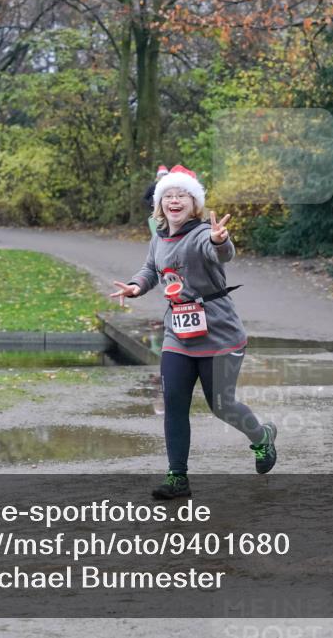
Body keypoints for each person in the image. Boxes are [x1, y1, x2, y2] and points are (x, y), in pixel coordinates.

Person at [111, 165, 277, 499]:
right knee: (173, 403)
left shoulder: (202, 233)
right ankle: (177, 477)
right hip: (178, 333)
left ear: (194, 202)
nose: (175, 200)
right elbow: (150, 269)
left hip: (219, 333)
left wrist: (221, 240)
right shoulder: (158, 236)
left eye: (182, 195)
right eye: (168, 195)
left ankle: (262, 438)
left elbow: (218, 252)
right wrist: (135, 287)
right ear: (160, 204)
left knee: (221, 405)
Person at [143, 165, 169, 237]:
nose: (163, 176)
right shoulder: (152, 186)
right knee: (155, 230)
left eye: (165, 175)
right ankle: (156, 239)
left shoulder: (169, 186)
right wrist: (151, 204)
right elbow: (144, 198)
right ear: (158, 176)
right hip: (154, 212)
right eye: (162, 175)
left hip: (167, 212)